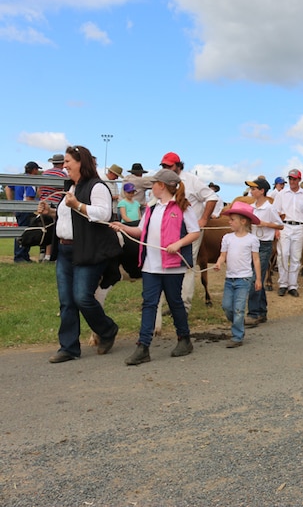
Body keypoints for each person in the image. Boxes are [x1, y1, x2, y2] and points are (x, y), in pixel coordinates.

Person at [36, 146, 122, 363]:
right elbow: (68, 217)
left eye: (67, 161)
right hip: (65, 250)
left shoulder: (97, 186)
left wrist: (78, 205)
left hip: (88, 249)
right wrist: (51, 212)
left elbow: (103, 213)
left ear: (80, 162)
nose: (64, 166)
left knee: (82, 297)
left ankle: (107, 329)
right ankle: (69, 347)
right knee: (66, 301)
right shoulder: (71, 188)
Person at [110, 168, 201, 365]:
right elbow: (141, 231)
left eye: (154, 184)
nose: (151, 187)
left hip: (173, 266)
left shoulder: (183, 208)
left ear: (162, 186)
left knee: (174, 302)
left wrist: (178, 244)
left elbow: (194, 232)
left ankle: (184, 339)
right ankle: (143, 346)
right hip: (151, 266)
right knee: (149, 304)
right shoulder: (151, 209)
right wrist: (123, 227)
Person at [158, 152, 219, 314]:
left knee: (186, 266)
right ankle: (173, 303)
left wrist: (204, 219)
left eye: (169, 166)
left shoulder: (192, 180)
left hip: (189, 231)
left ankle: (184, 305)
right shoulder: (162, 181)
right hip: (168, 230)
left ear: (178, 165)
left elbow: (211, 197)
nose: (166, 169)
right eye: (164, 166)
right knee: (169, 266)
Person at [214, 201, 261, 347]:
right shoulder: (227, 238)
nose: (229, 222)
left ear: (243, 221)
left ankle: (237, 336)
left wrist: (258, 279)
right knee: (227, 307)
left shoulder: (252, 239)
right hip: (230, 279)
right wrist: (219, 263)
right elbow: (223, 255)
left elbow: (256, 260)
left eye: (232, 219)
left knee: (239, 308)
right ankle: (237, 322)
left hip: (244, 279)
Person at [244, 178, 283, 327]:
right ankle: (261, 311)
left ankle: (253, 313)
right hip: (252, 244)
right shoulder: (251, 207)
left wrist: (265, 224)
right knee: (255, 277)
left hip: (264, 245)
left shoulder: (269, 208)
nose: (251, 191)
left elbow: (280, 226)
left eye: (254, 189)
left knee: (254, 278)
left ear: (262, 191)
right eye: (251, 189)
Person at [272, 169, 303, 297]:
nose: (292, 181)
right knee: (283, 255)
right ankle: (283, 284)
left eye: (294, 179)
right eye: (290, 179)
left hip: (299, 226)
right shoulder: (282, 194)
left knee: (296, 257)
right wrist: (276, 228)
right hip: (285, 225)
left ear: (299, 180)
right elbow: (275, 212)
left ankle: (292, 285)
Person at [6, 161, 41, 263]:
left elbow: (7, 188)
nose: (37, 171)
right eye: (37, 169)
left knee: (21, 231)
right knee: (25, 232)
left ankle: (23, 255)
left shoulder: (19, 179)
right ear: (34, 170)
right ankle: (20, 256)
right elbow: (29, 198)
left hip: (18, 208)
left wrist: (11, 204)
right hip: (26, 209)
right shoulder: (31, 181)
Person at [38, 154, 68, 261]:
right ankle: (49, 255)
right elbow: (65, 191)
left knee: (44, 228)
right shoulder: (63, 175)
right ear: (62, 163)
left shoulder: (45, 173)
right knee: (52, 230)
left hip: (43, 203)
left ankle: (42, 254)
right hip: (55, 205)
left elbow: (39, 190)